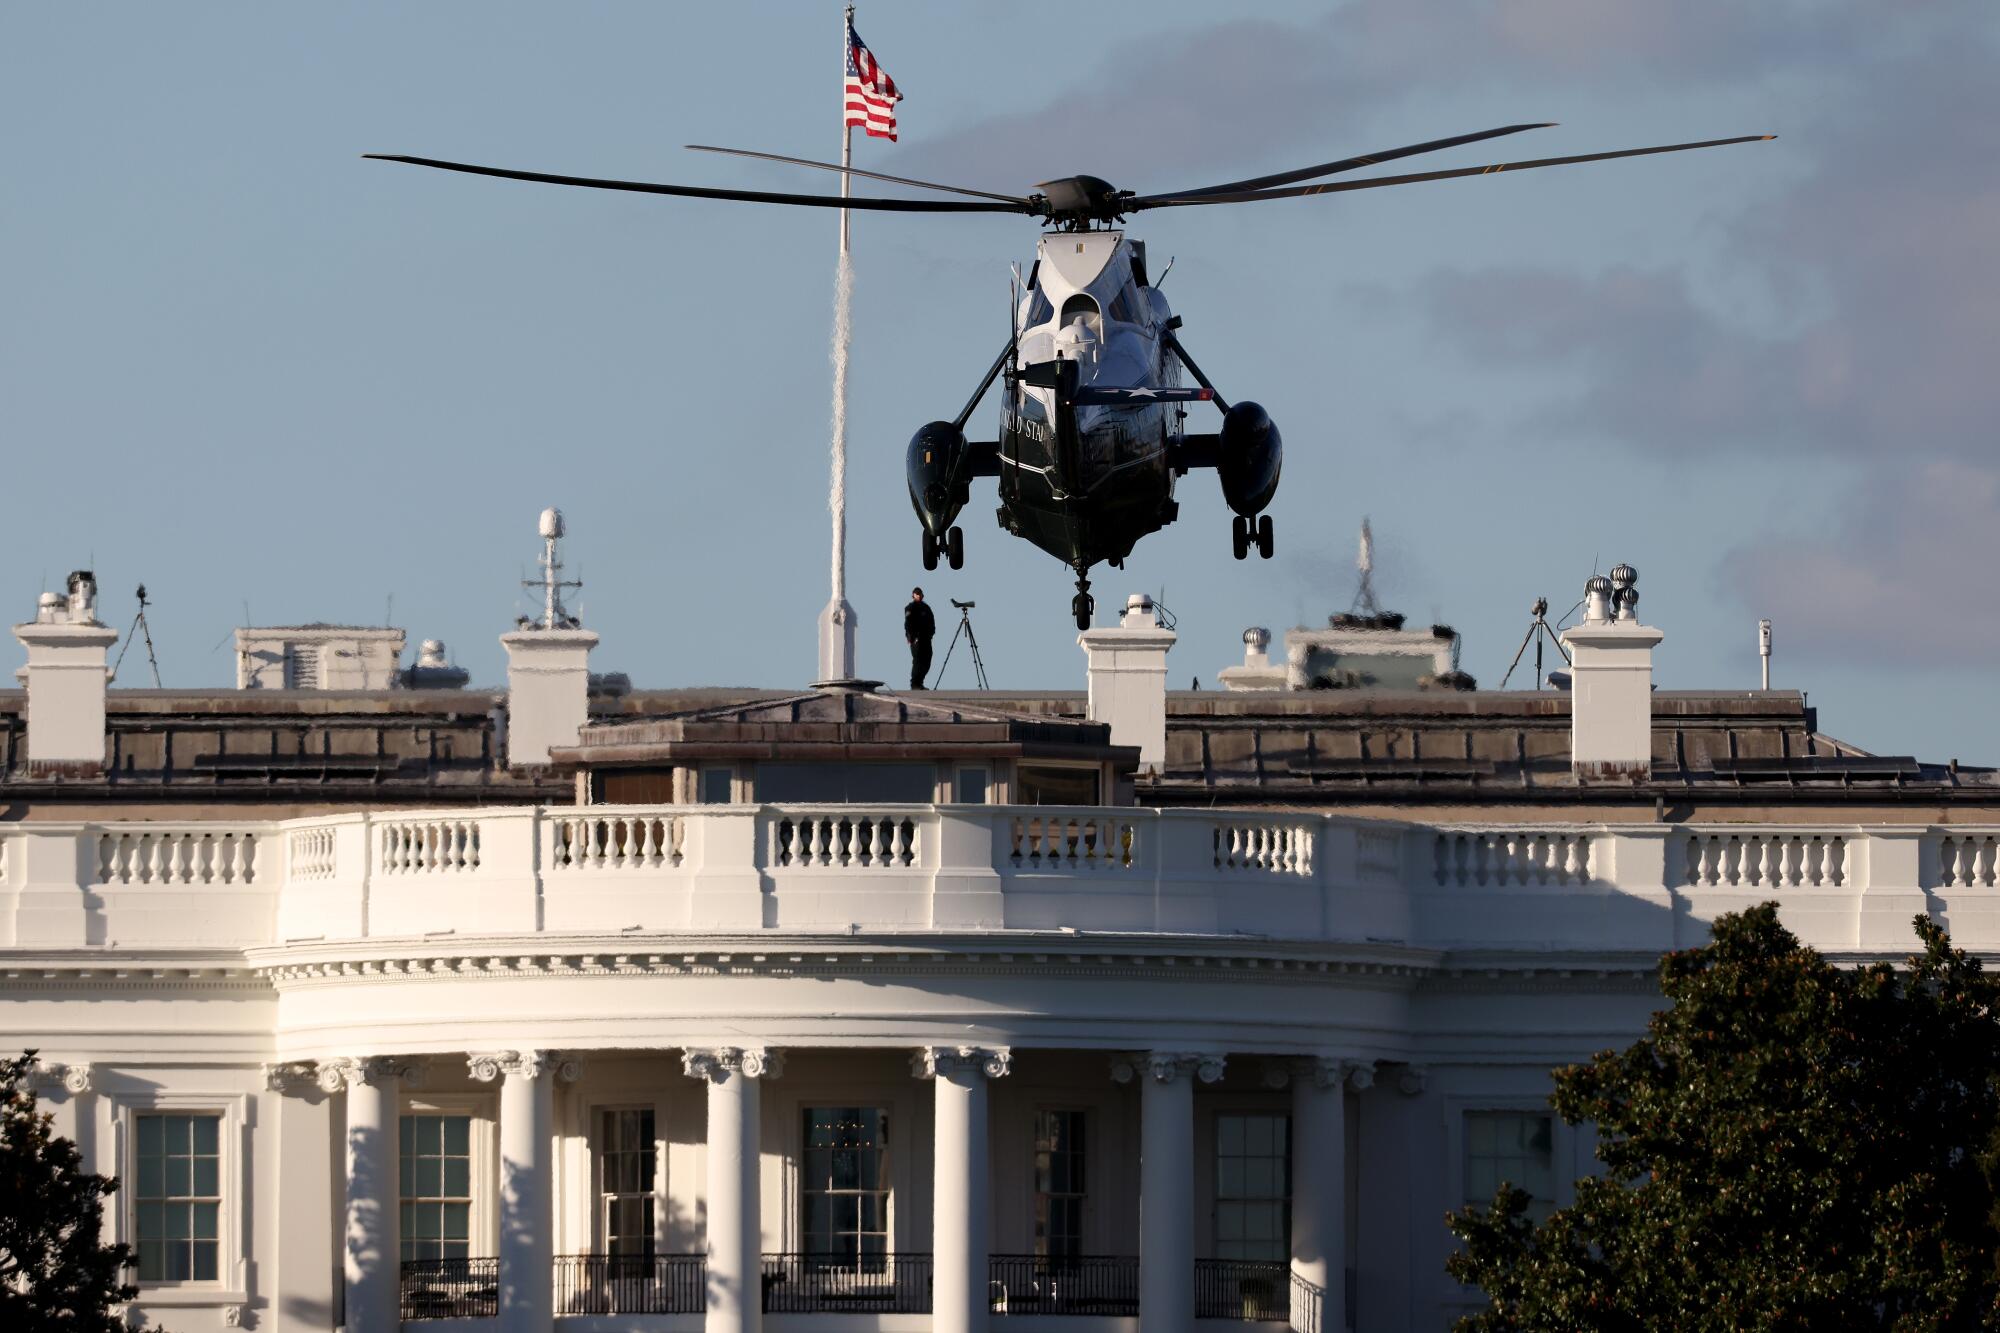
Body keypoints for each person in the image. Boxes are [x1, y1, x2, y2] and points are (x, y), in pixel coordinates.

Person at [904, 586, 936, 690]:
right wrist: (911, 637)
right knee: (918, 660)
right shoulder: (911, 608)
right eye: (917, 594)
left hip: (926, 639)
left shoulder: (926, 608)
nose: (919, 596)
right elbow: (908, 623)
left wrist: (931, 633)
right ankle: (915, 684)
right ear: (913, 595)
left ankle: (920, 682)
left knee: (927, 660)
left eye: (920, 594)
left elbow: (932, 621)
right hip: (916, 639)